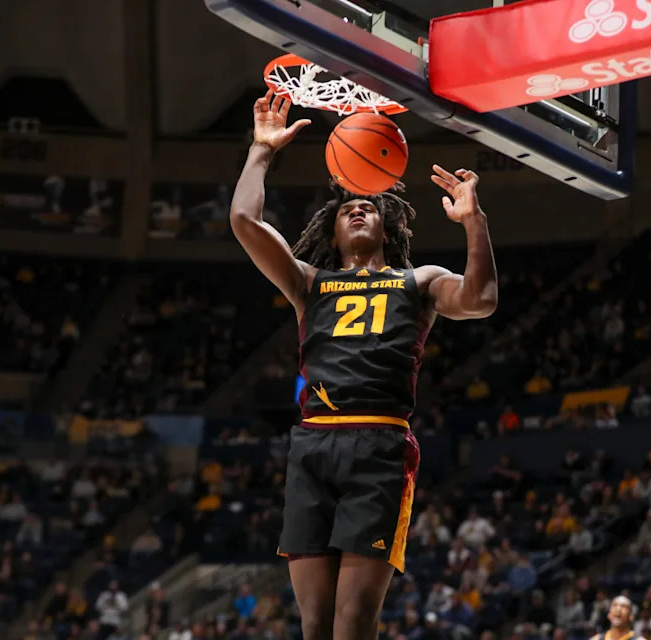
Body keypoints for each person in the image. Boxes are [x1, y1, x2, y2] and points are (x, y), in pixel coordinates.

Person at [231, 90, 498, 640]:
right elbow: (243, 220)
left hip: (379, 447)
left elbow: (480, 299)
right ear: (331, 232)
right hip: (313, 446)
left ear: (386, 226)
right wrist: (261, 151)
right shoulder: (308, 282)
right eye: (348, 207)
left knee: (352, 624)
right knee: (316, 624)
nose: (359, 208)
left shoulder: (418, 281)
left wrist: (474, 224)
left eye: (369, 206)